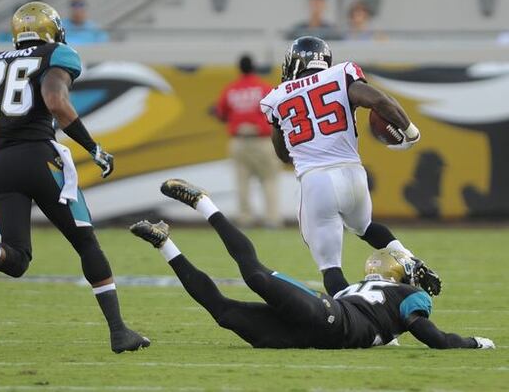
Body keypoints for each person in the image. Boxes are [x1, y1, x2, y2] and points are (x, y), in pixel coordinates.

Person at [0, 1, 149, 354]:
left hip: (0, 164)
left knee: (16, 259)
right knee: (86, 243)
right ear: (50, 30)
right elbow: (55, 100)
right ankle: (119, 331)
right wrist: (93, 147)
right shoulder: (58, 54)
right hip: (40, 158)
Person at [130, 179, 495, 350]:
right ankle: (204, 204)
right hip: (329, 318)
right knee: (256, 276)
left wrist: (468, 342)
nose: (378, 262)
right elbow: (421, 333)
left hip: (308, 335)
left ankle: (165, 242)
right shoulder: (373, 293)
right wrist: (470, 344)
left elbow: (431, 336)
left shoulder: (403, 293)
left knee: (224, 313)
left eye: (386, 259)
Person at [259, 36, 441, 297]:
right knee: (366, 227)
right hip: (353, 174)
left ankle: (357, 320)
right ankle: (407, 258)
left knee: (330, 269)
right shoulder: (341, 74)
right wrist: (410, 132)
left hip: (317, 180)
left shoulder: (276, 98)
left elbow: (283, 154)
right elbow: (380, 101)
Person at [215, 55, 282, 228]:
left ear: (239, 68)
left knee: (242, 182)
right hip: (262, 140)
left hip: (239, 140)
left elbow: (221, 113)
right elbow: (275, 113)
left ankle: (245, 219)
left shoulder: (231, 89)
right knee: (269, 180)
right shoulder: (263, 88)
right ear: (254, 67)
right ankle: (272, 219)